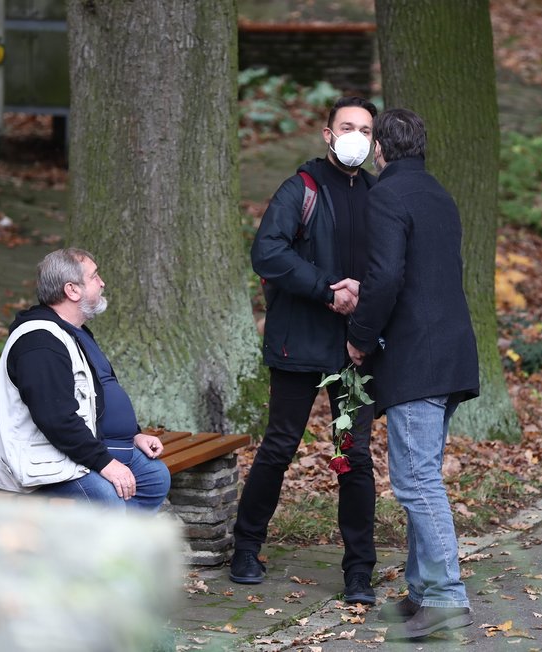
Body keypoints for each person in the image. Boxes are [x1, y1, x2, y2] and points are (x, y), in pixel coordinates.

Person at [230, 96, 379, 606]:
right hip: (298, 344)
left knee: (353, 457)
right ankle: (246, 547)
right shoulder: (302, 189)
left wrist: (369, 313)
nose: (355, 135)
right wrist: (326, 288)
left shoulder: (379, 194)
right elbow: (266, 252)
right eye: (346, 126)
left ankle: (360, 571)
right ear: (327, 133)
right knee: (279, 448)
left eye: (364, 128)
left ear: (374, 141)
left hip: (355, 352)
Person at [346, 108, 480, 640]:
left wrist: (358, 335)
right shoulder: (437, 193)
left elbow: (385, 277)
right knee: (422, 472)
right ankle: (423, 591)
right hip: (450, 353)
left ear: (380, 148)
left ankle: (446, 594)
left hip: (417, 357)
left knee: (416, 480)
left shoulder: (386, 195)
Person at [0, 248, 170, 512]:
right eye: (95, 276)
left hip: (88, 447)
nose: (102, 282)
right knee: (106, 498)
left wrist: (134, 434)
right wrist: (105, 463)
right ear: (72, 290)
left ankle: (115, 545)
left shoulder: (75, 332)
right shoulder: (39, 343)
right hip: (45, 464)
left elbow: (99, 392)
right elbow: (56, 418)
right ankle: (102, 546)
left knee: (154, 478)